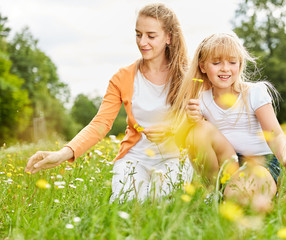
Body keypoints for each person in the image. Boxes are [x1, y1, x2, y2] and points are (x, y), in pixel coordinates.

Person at [25, 3, 193, 202]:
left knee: (161, 201)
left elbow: (202, 120)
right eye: (138, 34)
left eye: (151, 35)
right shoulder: (122, 77)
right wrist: (63, 154)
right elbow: (101, 123)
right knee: (126, 203)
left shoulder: (188, 76)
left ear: (169, 37)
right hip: (135, 159)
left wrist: (173, 130)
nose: (142, 42)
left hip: (174, 159)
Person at [169, 33, 286, 211]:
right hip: (227, 163)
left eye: (232, 62)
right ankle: (216, 191)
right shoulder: (200, 99)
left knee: (240, 194)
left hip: (261, 162)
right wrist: (190, 121)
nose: (225, 68)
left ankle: (265, 193)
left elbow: (275, 134)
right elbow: (183, 142)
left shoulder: (254, 93)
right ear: (203, 66)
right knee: (197, 131)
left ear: (240, 64)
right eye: (216, 63)